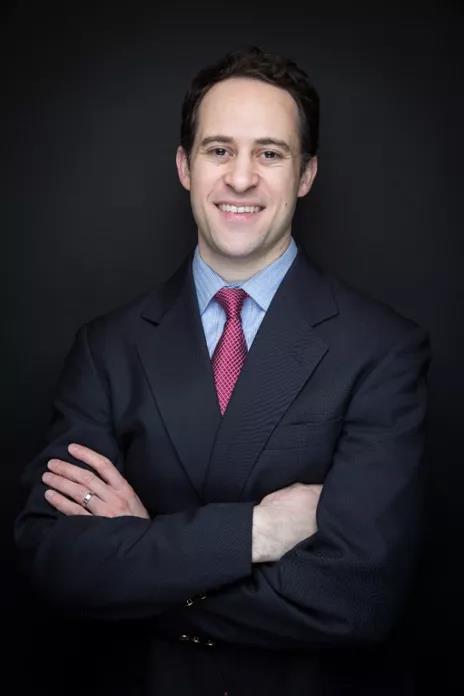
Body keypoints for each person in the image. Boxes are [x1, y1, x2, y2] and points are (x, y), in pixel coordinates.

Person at [15, 46, 430, 695]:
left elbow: (357, 598)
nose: (241, 178)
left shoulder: (382, 350)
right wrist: (256, 531)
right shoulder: (107, 348)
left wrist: (143, 557)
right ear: (185, 166)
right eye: (218, 150)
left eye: (270, 153)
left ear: (306, 174)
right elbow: (55, 560)